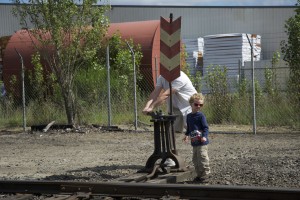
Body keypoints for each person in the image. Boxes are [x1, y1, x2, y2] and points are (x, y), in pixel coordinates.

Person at [183, 93, 210, 182]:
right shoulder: (189, 116)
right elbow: (189, 128)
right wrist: (186, 135)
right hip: (194, 142)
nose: (198, 106)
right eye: (196, 104)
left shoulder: (201, 116)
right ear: (191, 104)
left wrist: (204, 136)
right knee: (195, 159)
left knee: (202, 157)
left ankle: (205, 175)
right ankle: (199, 175)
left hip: (202, 142)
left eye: (200, 105)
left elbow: (205, 128)